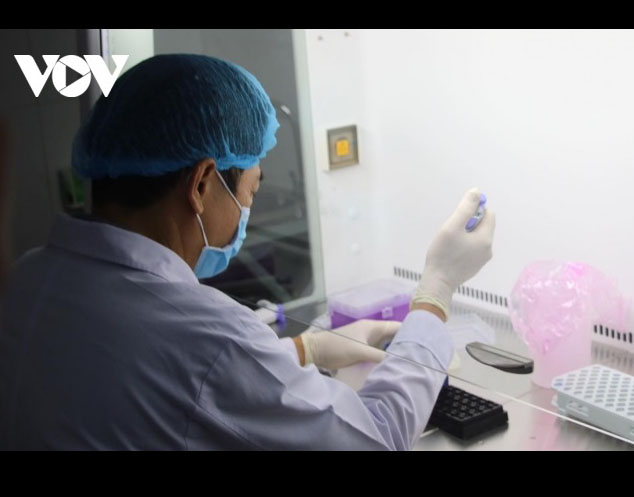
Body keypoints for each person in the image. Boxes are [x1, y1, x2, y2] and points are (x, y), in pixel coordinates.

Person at [0, 54, 495, 450]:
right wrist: (435, 293)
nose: (245, 212)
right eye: (250, 191)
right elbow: (377, 438)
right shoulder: (205, 336)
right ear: (201, 184)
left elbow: (164, 385)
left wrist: (303, 350)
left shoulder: (29, 277)